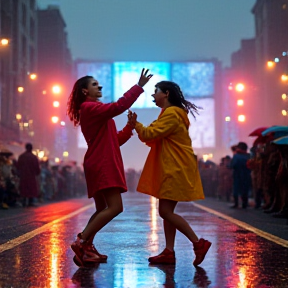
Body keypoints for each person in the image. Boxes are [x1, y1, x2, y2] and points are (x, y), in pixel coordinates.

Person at [67, 68, 152, 267]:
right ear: (85, 91)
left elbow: (115, 140)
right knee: (115, 208)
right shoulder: (89, 108)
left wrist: (130, 127)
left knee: (102, 209)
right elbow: (118, 106)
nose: (100, 86)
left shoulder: (93, 111)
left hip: (98, 161)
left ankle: (86, 247)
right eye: (95, 84)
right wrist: (138, 87)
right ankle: (81, 241)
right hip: (102, 163)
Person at [129, 80, 211, 267]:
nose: (153, 95)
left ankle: (198, 243)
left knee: (165, 211)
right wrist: (138, 127)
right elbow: (152, 138)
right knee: (167, 212)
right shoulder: (169, 114)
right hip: (173, 166)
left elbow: (150, 135)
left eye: (155, 91)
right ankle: (169, 251)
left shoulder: (172, 114)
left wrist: (136, 125)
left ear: (166, 93)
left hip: (173, 167)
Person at [17, 143, 41, 207]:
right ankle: (30, 202)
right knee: (31, 189)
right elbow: (37, 167)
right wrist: (37, 173)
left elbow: (18, 166)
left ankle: (24, 201)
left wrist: (19, 174)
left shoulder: (21, 156)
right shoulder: (33, 157)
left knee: (24, 189)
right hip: (31, 176)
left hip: (23, 176)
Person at [230, 142, 251, 209]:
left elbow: (233, 165)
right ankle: (245, 203)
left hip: (238, 175)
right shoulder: (248, 156)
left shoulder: (236, 156)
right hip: (247, 174)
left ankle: (236, 204)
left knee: (236, 189)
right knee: (245, 189)